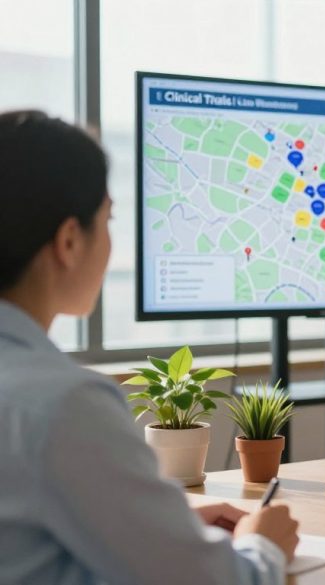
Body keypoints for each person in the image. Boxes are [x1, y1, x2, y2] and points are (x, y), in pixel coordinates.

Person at [0, 110, 299, 585]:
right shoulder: (63, 404)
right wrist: (263, 544)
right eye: (109, 219)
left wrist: (157, 530)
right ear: (69, 241)